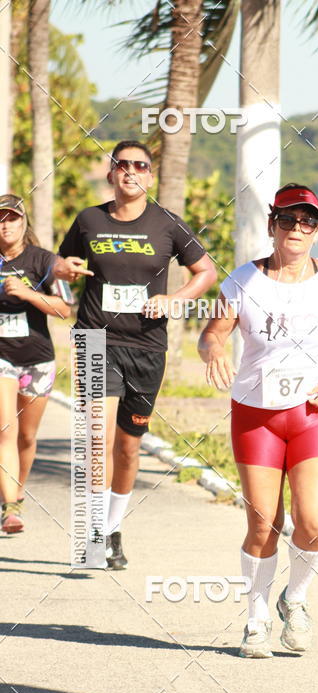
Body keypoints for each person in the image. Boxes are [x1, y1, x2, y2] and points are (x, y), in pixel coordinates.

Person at [199, 183, 318, 657]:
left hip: (315, 413)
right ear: (272, 224)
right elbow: (212, 333)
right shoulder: (242, 282)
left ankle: (294, 599)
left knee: (312, 523)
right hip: (256, 416)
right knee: (264, 525)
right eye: (288, 219)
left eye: (307, 220)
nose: (298, 227)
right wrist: (214, 350)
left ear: (317, 230)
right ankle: (256, 620)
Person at [59, 140, 217, 568]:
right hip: (95, 338)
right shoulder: (89, 220)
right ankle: (94, 531)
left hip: (147, 346)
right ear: (111, 172)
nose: (131, 171)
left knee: (129, 447)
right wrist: (64, 272)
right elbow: (61, 267)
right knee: (98, 436)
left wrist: (175, 299)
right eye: (123, 164)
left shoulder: (167, 223)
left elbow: (205, 272)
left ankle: (112, 529)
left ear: (150, 175)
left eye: (140, 165)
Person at [0, 194, 83, 534]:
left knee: (27, 437)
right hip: (2, 358)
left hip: (38, 360)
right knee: (6, 430)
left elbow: (65, 308)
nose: (6, 225)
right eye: (0, 219)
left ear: (24, 223)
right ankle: (10, 508)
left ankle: (16, 493)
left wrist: (27, 293)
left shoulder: (45, 260)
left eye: (12, 218)